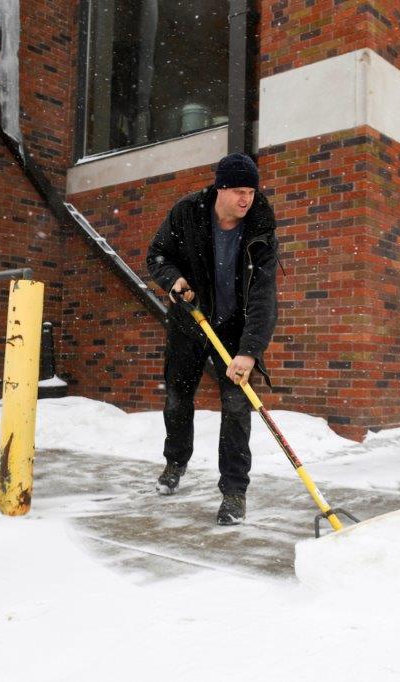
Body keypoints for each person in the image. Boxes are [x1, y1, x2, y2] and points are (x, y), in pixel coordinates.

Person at [146, 152, 279, 526]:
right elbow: (156, 255)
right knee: (177, 395)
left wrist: (249, 351)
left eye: (250, 192)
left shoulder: (261, 227)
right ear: (220, 188)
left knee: (237, 407)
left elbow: (264, 294)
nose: (245, 199)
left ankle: (234, 491)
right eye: (238, 191)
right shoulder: (187, 212)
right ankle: (175, 463)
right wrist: (173, 280)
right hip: (191, 319)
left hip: (235, 329)